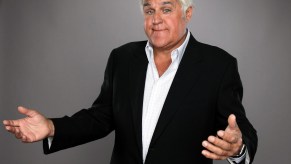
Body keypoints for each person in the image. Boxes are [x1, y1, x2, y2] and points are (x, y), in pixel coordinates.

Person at [3, 0, 257, 163]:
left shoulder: (218, 65)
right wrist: (51, 127)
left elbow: (240, 130)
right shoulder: (122, 58)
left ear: (187, 13)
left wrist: (237, 148)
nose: (155, 19)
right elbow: (101, 117)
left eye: (166, 9)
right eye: (149, 10)